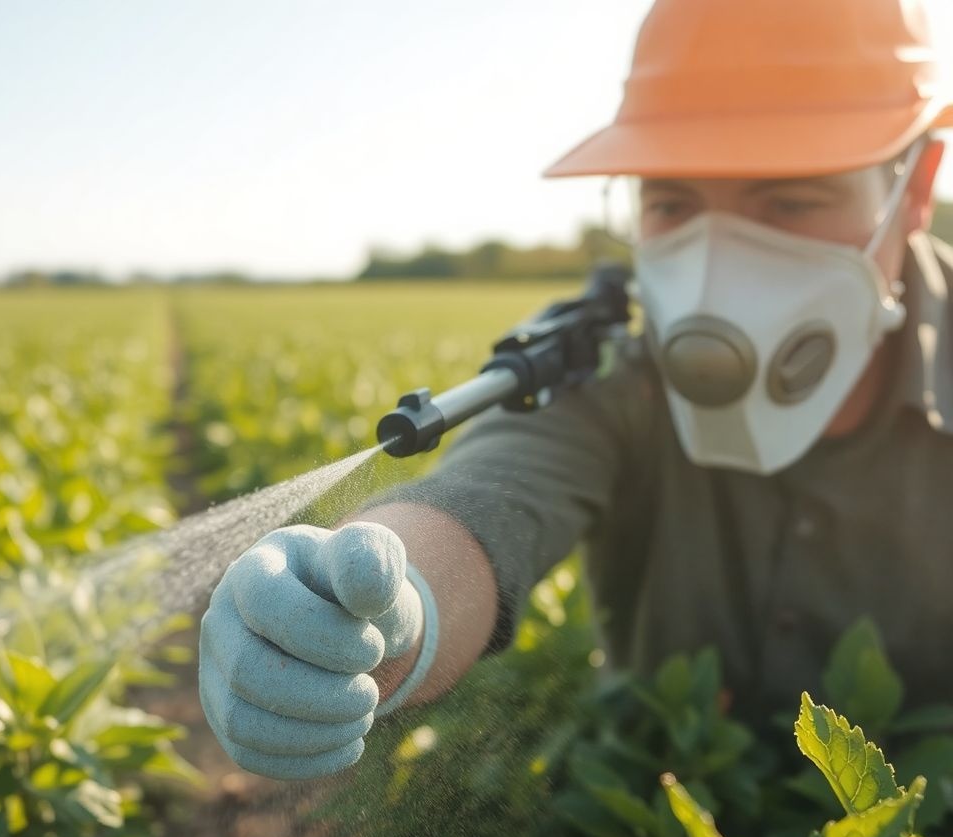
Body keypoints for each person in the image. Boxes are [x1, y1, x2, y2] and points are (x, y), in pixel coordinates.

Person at [199, 0, 953, 780]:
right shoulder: (616, 375)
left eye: (791, 199)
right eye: (671, 205)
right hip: (658, 814)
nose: (715, 268)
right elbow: (492, 493)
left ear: (917, 186)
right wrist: (386, 611)